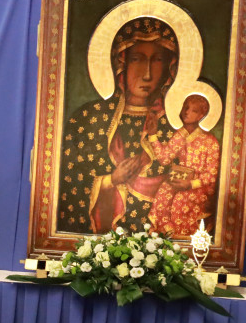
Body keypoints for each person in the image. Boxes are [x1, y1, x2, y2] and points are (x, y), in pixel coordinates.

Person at [56, 17, 180, 234]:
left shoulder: (174, 126)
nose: (147, 73)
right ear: (121, 63)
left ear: (170, 66)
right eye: (137, 60)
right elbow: (68, 186)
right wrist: (110, 180)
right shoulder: (88, 119)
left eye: (158, 60)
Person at [146, 93, 222, 235]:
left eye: (193, 110)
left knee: (181, 200)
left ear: (201, 116)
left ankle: (180, 240)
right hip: (180, 181)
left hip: (199, 188)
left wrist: (190, 184)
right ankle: (166, 234)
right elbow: (165, 158)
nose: (186, 112)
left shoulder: (210, 141)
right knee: (164, 191)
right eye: (185, 108)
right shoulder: (180, 135)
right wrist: (152, 135)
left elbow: (211, 176)